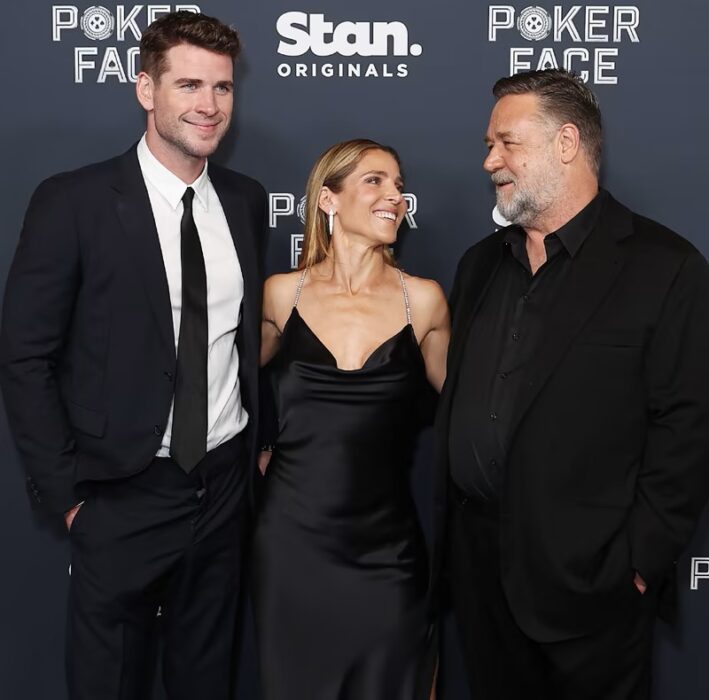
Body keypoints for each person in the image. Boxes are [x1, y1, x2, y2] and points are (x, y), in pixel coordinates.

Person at [0, 11, 265, 700]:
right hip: (121, 493)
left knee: (205, 679)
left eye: (222, 88)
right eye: (187, 85)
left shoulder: (244, 200)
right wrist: (69, 500)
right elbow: (25, 356)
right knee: (106, 684)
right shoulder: (74, 201)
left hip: (223, 483)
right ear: (145, 89)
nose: (209, 106)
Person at [433, 68, 709, 700]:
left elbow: (687, 429)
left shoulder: (665, 267)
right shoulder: (480, 264)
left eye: (506, 143)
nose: (489, 161)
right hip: (480, 576)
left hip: (593, 587)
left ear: (566, 143)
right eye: (487, 144)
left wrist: (638, 564)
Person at [253, 139, 449, 699]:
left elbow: (475, 412)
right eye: (375, 181)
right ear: (328, 199)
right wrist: (259, 448)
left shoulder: (425, 302)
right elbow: (223, 384)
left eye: (399, 184)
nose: (395, 195)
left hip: (388, 551)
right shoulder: (281, 295)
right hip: (292, 545)